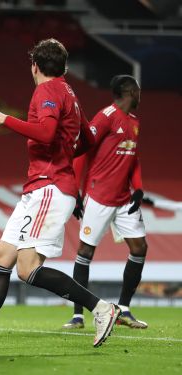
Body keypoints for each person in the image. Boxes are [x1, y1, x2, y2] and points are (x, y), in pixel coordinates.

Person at [0, 39, 120, 351]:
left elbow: (46, 133)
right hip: (45, 188)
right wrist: (68, 175)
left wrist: (5, 119)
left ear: (35, 66)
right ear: (63, 66)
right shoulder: (70, 93)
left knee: (27, 268)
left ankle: (101, 308)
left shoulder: (47, 90)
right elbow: (87, 140)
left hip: (48, 186)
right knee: (2, 259)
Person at [63, 75, 149, 330]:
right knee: (85, 252)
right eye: (138, 90)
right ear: (131, 91)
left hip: (124, 199)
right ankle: (78, 315)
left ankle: (123, 309)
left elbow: (133, 158)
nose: (140, 94)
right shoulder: (105, 117)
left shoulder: (134, 122)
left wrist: (139, 188)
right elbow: (81, 151)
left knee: (139, 248)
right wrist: (77, 191)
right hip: (99, 196)